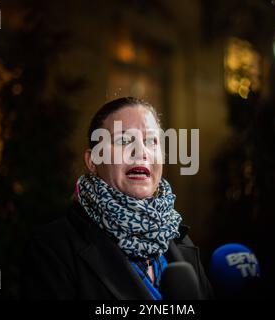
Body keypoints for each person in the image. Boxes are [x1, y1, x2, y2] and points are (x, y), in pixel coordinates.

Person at [21, 97, 213, 299]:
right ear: (93, 160)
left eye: (150, 141)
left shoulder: (181, 241)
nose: (141, 152)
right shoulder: (52, 249)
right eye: (123, 140)